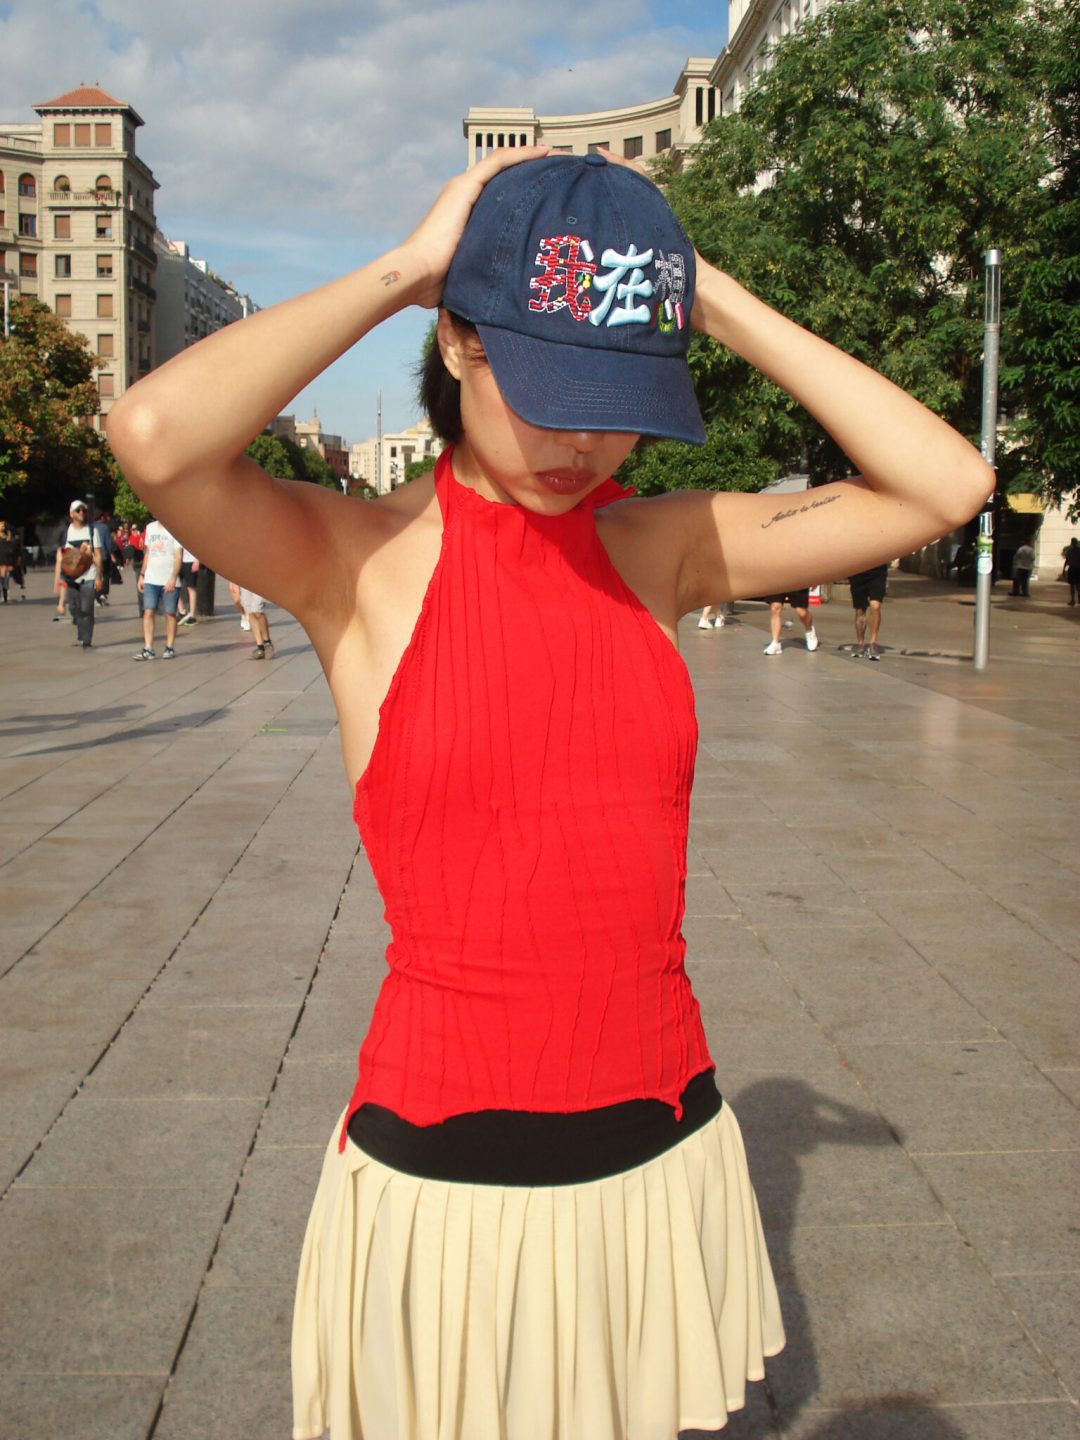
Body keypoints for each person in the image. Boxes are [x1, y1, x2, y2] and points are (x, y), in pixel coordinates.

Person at [106, 148, 993, 1440]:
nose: (585, 441)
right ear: (461, 344)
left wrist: (705, 295)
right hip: (450, 1170)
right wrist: (410, 268)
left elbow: (946, 485)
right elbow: (151, 435)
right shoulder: (357, 560)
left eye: (620, 398)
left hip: (662, 1140)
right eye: (552, 390)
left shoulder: (662, 545)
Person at [55, 500, 103, 648]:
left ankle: (85, 639)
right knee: (74, 607)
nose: (81, 513)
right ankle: (81, 631)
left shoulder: (92, 531)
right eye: (78, 510)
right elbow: (60, 556)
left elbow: (98, 555)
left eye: (83, 510)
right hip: (71, 577)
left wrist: (99, 576)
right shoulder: (66, 533)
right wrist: (58, 578)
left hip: (89, 576)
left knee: (87, 608)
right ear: (71, 514)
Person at [134, 516, 182, 660]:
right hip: (151, 578)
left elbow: (178, 556)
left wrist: (173, 577)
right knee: (148, 611)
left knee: (170, 613)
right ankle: (148, 648)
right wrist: (142, 575)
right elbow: (148, 553)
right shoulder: (150, 527)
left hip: (168, 578)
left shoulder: (175, 528)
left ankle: (170, 646)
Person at [849, 561, 889, 659]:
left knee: (875, 606)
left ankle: (873, 643)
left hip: (878, 570)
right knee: (860, 610)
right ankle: (860, 644)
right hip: (858, 570)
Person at [761, 587, 819, 655]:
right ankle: (775, 642)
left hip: (796, 580)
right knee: (775, 606)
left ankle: (809, 630)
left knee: (801, 612)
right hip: (777, 579)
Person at [177, 546, 200, 623]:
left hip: (190, 560)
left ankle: (192, 615)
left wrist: (197, 560)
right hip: (177, 559)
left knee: (191, 587)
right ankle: (181, 611)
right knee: (174, 586)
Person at [1063, 537, 1080, 605]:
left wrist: (1064, 569)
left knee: (1073, 585)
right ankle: (1076, 599)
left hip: (1073, 569)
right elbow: (1067, 561)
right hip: (1076, 569)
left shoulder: (1069, 551)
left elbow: (1066, 561)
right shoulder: (1071, 551)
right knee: (1076, 585)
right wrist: (1064, 569)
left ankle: (1073, 600)